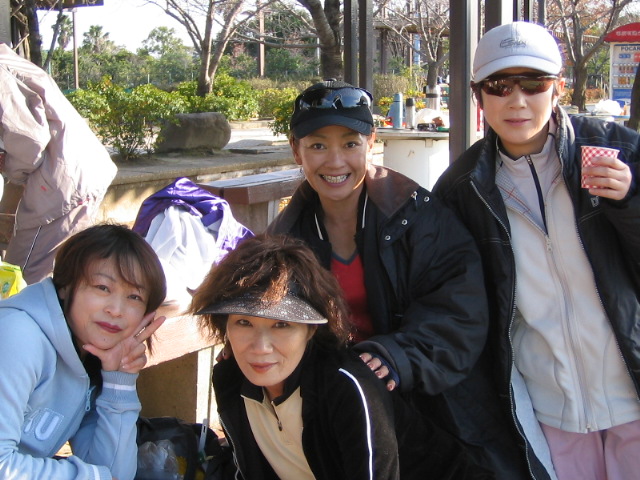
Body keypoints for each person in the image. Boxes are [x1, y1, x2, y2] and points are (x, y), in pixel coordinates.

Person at [265, 80, 520, 475]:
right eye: (317, 145)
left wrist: (396, 356)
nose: (335, 161)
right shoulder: (285, 235)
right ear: (296, 150)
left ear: (372, 142)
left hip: (428, 401)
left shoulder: (419, 217)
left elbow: (460, 313)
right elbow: (262, 309)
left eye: (350, 143)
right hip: (339, 398)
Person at [433, 21, 640, 480]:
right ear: (478, 96)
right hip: (548, 410)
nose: (517, 100)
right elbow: (456, 301)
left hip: (633, 395)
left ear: (558, 87)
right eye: (499, 86)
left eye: (533, 83)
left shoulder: (617, 151)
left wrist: (631, 202)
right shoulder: (462, 189)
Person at [189, 234, 492, 480]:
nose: (260, 346)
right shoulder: (230, 379)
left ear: (311, 330)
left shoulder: (347, 386)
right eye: (244, 322)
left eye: (281, 325)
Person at [0, 223, 167, 480]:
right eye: (103, 288)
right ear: (65, 285)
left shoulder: (89, 359)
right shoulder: (18, 335)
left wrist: (119, 381)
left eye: (134, 297)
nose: (116, 310)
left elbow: (115, 472)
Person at [0, 43, 117, 284]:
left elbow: (30, 141)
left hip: (61, 182)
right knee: (61, 272)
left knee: (20, 277)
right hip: (80, 173)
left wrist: (10, 169)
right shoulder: (9, 63)